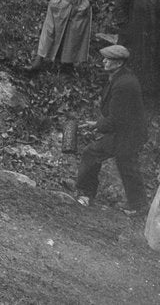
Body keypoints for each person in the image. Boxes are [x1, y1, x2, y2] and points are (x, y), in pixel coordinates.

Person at [62, 45, 149, 216]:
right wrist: (97, 123)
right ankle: (139, 204)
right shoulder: (120, 77)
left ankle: (86, 194)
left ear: (118, 63)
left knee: (93, 153)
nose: (104, 61)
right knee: (126, 165)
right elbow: (118, 115)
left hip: (128, 135)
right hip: (127, 132)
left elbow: (116, 120)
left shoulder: (124, 84)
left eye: (108, 59)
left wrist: (96, 125)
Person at [113, 0, 160, 99]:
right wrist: (126, 28)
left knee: (152, 67)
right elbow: (119, 6)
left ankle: (149, 98)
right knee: (132, 67)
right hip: (134, 36)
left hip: (155, 38)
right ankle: (127, 97)